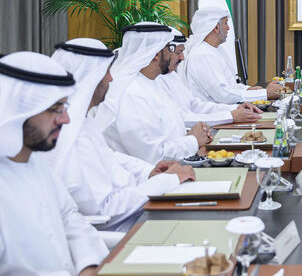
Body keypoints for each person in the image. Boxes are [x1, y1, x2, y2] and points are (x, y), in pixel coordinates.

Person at [50, 38, 196, 232]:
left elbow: (110, 157)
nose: (111, 78)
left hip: (139, 210)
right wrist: (167, 180)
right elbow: (106, 211)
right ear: (90, 79)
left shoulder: (82, 122)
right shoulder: (70, 135)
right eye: (106, 72)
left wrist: (149, 172)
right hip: (125, 231)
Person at [0, 51, 108, 275]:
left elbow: (69, 216)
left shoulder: (34, 161)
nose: (66, 119)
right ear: (20, 112)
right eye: (55, 110)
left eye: (64, 108)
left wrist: (88, 264)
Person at [102, 22, 212, 163]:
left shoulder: (150, 83)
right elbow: (152, 155)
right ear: (155, 53)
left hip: (173, 168)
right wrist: (193, 140)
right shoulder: (130, 92)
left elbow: (166, 133)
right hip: (146, 179)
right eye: (171, 50)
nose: (180, 57)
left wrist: (193, 137)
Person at [156, 29, 262, 125]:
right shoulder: (154, 82)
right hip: (197, 132)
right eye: (178, 53)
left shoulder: (171, 76)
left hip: (202, 129)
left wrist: (235, 108)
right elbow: (183, 119)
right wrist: (230, 116)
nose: (182, 58)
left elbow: (195, 105)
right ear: (159, 54)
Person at [182, 7, 282, 104]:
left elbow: (231, 86)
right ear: (216, 27)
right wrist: (265, 93)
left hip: (229, 111)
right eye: (225, 23)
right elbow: (223, 95)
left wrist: (250, 89)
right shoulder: (202, 55)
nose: (228, 28)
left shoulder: (217, 50)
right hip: (214, 116)